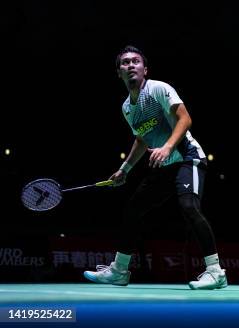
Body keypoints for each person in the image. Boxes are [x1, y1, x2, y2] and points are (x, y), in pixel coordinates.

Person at [83, 46, 227, 289]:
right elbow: (142, 138)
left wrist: (168, 147)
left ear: (144, 69)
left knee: (188, 205)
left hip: (186, 157)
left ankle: (216, 271)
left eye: (135, 61)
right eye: (125, 62)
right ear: (119, 72)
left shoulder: (159, 89)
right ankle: (119, 270)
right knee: (133, 209)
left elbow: (185, 119)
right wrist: (125, 169)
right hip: (164, 166)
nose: (130, 65)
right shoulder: (127, 108)